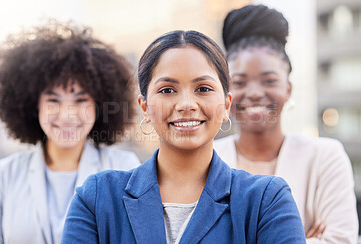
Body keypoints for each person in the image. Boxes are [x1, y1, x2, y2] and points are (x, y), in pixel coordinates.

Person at [61, 30, 306, 243]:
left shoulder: (267, 201)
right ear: (144, 107)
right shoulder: (96, 199)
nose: (186, 104)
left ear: (225, 104)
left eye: (203, 89)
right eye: (167, 90)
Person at [0, 20, 140, 244]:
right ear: (33, 105)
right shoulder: (2, 177)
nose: (67, 114)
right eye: (53, 100)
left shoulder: (125, 170)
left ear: (99, 105)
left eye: (80, 100)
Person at [214, 4, 358, 244]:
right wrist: (294, 238)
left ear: (288, 89)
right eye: (239, 82)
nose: (255, 93)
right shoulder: (208, 160)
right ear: (226, 93)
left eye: (269, 80)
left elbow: (341, 241)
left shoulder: (325, 157)